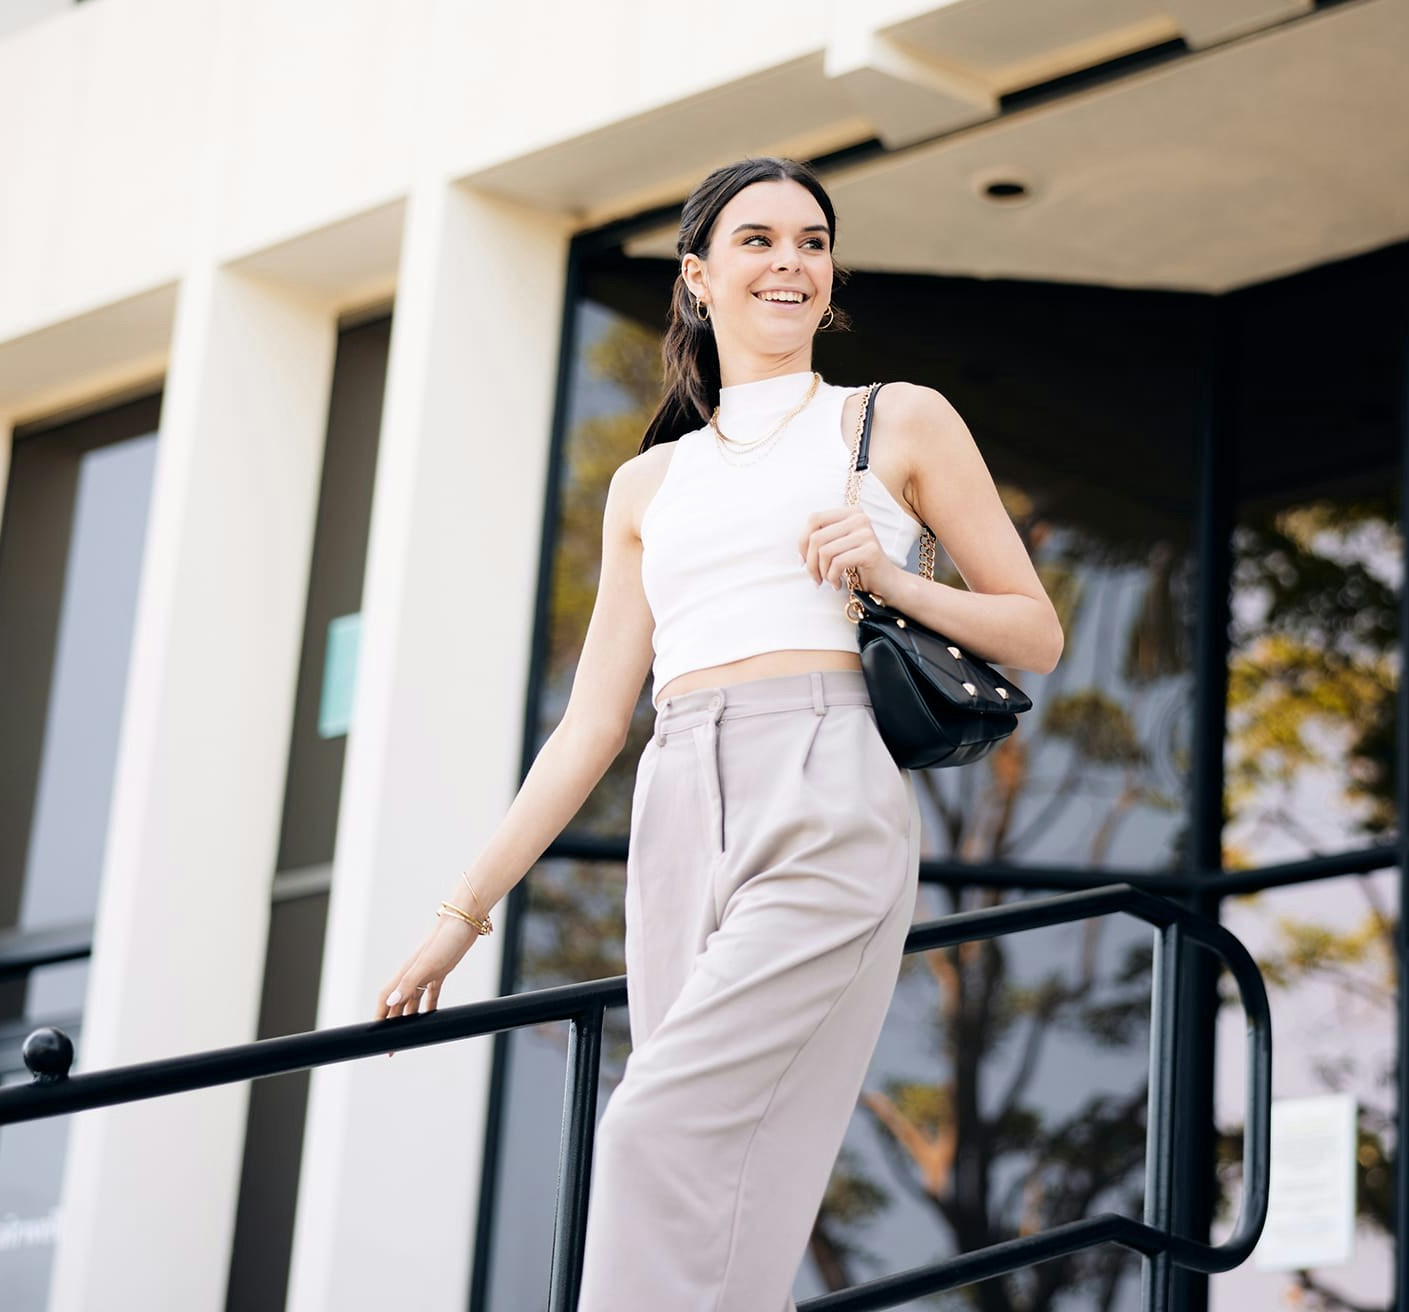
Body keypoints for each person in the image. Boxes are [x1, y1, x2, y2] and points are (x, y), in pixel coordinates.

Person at [375, 155, 1063, 1308]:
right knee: (720, 1176)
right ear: (698, 276)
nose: (789, 262)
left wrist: (891, 575)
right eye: (758, 240)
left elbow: (1034, 631)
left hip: (827, 777)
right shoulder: (649, 483)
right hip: (679, 799)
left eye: (811, 240)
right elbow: (593, 722)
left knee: (651, 1126)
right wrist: (462, 914)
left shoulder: (891, 420)